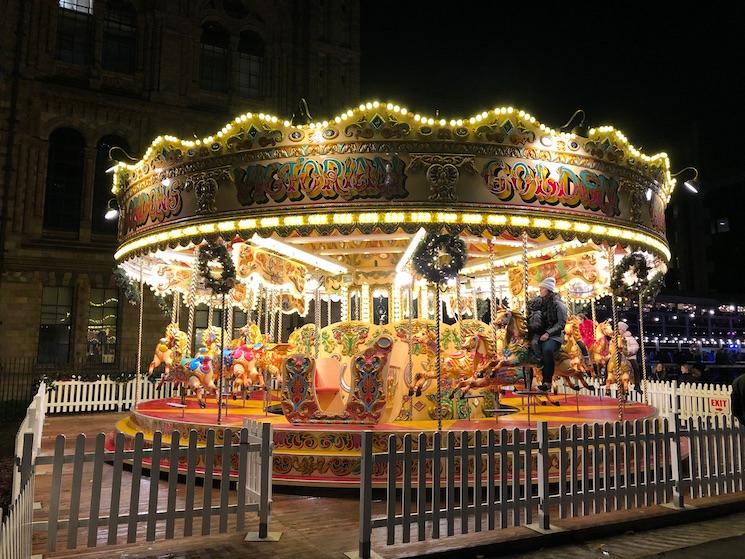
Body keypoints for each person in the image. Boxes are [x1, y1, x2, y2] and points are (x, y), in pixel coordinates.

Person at [535, 277, 567, 390]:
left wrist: (548, 333)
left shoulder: (558, 304)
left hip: (555, 335)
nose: (540, 291)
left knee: (547, 349)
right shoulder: (541, 303)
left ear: (548, 289)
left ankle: (547, 381)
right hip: (542, 333)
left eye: (542, 289)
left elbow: (561, 323)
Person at [526, 296, 544, 362]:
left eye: (532, 304)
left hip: (537, 332)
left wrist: (529, 327)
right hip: (532, 332)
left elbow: (537, 325)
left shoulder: (537, 314)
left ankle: (539, 357)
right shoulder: (532, 314)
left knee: (534, 342)